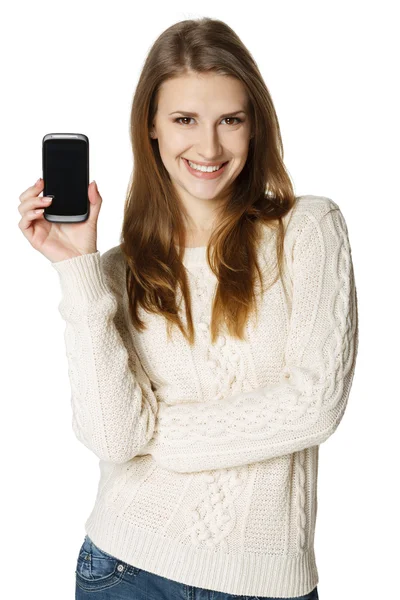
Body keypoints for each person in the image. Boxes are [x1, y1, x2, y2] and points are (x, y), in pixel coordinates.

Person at [17, 16, 358, 600]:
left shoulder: (309, 230)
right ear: (151, 127)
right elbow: (113, 438)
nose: (209, 147)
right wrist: (77, 268)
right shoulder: (117, 271)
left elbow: (314, 406)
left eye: (231, 120)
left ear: (256, 127)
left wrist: (161, 434)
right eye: (184, 120)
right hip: (125, 569)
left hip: (266, 582)